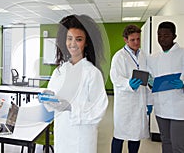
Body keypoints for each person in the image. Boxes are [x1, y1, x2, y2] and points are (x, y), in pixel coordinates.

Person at [42, 14, 108, 153]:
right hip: (62, 130)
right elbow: (52, 101)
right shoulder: (60, 71)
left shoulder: (92, 73)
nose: (73, 44)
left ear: (86, 42)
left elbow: (99, 109)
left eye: (78, 39)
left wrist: (72, 107)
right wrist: (47, 98)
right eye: (69, 39)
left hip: (82, 135)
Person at [110, 24, 152, 153]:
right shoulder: (119, 56)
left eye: (138, 39)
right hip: (125, 103)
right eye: (132, 40)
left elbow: (148, 77)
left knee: (136, 135)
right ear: (125, 40)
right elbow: (115, 78)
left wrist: (149, 102)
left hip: (140, 100)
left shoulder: (143, 55)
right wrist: (128, 84)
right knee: (120, 135)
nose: (136, 42)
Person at [148, 21, 184, 153]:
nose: (162, 39)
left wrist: (183, 84)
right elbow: (151, 81)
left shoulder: (182, 54)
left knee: (178, 145)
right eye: (159, 35)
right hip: (161, 106)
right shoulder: (154, 57)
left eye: (166, 35)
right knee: (166, 141)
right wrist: (150, 82)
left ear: (174, 36)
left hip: (179, 108)